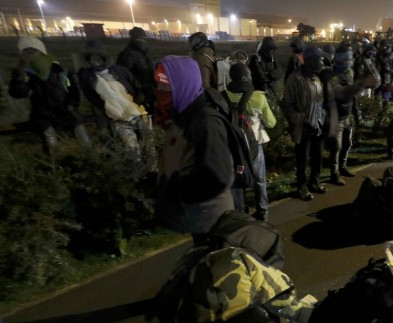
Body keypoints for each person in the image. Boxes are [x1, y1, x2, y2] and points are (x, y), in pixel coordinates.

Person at [154, 55, 234, 245]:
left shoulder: (206, 122)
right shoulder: (184, 115)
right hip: (198, 216)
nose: (160, 91)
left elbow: (217, 175)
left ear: (183, 83)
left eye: (166, 85)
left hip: (213, 220)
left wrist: (177, 190)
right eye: (158, 85)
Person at [77, 41, 156, 170]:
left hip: (140, 114)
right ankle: (141, 176)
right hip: (120, 120)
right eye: (91, 57)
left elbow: (138, 87)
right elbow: (91, 97)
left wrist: (140, 103)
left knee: (149, 146)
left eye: (97, 57)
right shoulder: (88, 77)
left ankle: (154, 172)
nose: (95, 60)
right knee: (132, 150)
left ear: (103, 58)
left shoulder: (120, 71)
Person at [8, 36, 91, 154]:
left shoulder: (61, 71)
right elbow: (18, 93)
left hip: (64, 111)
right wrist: (19, 73)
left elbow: (72, 90)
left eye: (33, 51)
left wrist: (73, 105)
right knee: (50, 137)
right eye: (26, 52)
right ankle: (55, 163)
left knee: (80, 129)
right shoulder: (28, 75)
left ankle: (91, 156)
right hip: (42, 115)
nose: (30, 55)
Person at [283, 46, 337, 201]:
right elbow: (287, 104)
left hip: (319, 125)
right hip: (304, 127)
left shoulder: (320, 77)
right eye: (319, 59)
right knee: (302, 160)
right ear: (310, 61)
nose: (322, 62)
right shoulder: (296, 79)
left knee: (317, 157)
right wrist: (298, 119)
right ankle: (301, 187)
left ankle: (315, 182)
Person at [225, 63, 277, 221]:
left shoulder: (223, 96)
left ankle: (240, 213)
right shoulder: (258, 97)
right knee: (259, 179)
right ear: (246, 77)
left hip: (232, 148)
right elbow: (271, 123)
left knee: (236, 182)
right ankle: (262, 210)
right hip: (253, 147)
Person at [326, 44, 377, 186]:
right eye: (346, 59)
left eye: (350, 59)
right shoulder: (331, 75)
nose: (349, 62)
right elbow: (342, 92)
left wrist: (356, 112)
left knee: (347, 143)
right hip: (336, 116)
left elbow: (352, 96)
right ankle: (334, 173)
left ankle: (342, 167)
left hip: (347, 114)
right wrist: (361, 84)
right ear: (338, 59)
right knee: (336, 146)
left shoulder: (349, 73)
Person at [117, 27, 155, 116]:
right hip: (137, 94)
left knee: (149, 114)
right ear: (133, 39)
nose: (142, 41)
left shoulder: (143, 54)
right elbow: (123, 75)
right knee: (141, 115)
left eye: (144, 38)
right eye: (139, 38)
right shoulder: (128, 55)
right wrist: (135, 93)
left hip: (147, 91)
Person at [248, 36, 283, 100]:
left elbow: (279, 73)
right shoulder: (255, 59)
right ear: (265, 48)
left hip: (272, 91)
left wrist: (268, 74)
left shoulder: (272, 58)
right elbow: (260, 77)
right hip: (259, 92)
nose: (271, 52)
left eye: (272, 50)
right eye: (270, 49)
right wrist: (271, 76)